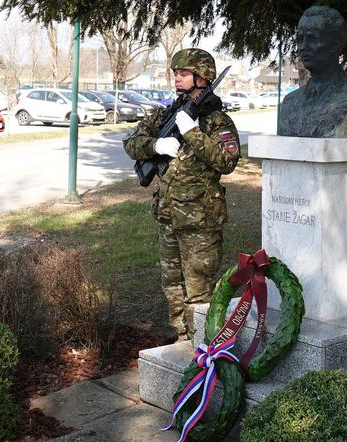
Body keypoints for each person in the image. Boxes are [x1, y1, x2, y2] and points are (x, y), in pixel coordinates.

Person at [122, 48, 241, 340]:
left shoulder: (217, 122)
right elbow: (131, 142)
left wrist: (193, 134)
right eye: (176, 72)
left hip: (200, 223)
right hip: (168, 218)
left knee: (199, 290)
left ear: (202, 77)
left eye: (184, 73)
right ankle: (182, 337)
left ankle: (203, 345)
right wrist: (155, 147)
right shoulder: (167, 114)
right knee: (172, 285)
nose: (177, 77)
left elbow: (227, 161)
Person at [277, 5, 347, 138]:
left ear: (335, 44)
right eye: (300, 39)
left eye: (312, 38)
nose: (304, 47)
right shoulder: (290, 102)